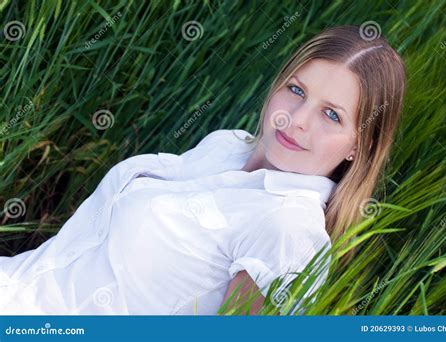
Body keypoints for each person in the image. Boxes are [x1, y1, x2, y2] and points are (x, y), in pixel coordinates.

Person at [0, 25, 406, 315]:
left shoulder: (288, 229)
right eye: (296, 90)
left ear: (359, 145)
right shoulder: (226, 145)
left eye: (331, 115)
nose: (297, 119)